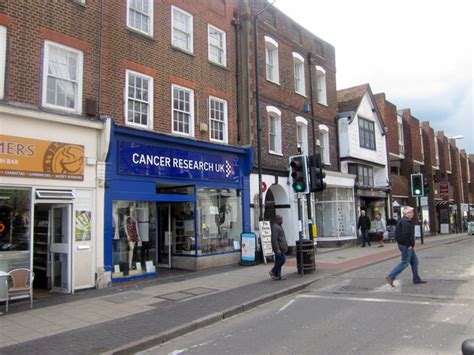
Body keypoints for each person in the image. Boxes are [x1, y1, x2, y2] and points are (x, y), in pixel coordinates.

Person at [386, 206, 427, 287]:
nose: (413, 214)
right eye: (411, 212)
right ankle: (391, 276)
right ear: (407, 213)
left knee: (414, 261)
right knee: (405, 262)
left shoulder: (404, 221)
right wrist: (408, 245)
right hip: (406, 246)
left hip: (406, 245)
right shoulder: (405, 222)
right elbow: (405, 234)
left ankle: (416, 278)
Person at [269, 215, 288, 281]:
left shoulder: (278, 226)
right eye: (281, 219)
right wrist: (277, 249)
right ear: (277, 220)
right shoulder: (275, 227)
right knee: (282, 260)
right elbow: (274, 239)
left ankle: (278, 276)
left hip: (282, 247)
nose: (282, 221)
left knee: (278, 261)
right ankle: (273, 271)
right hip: (279, 248)